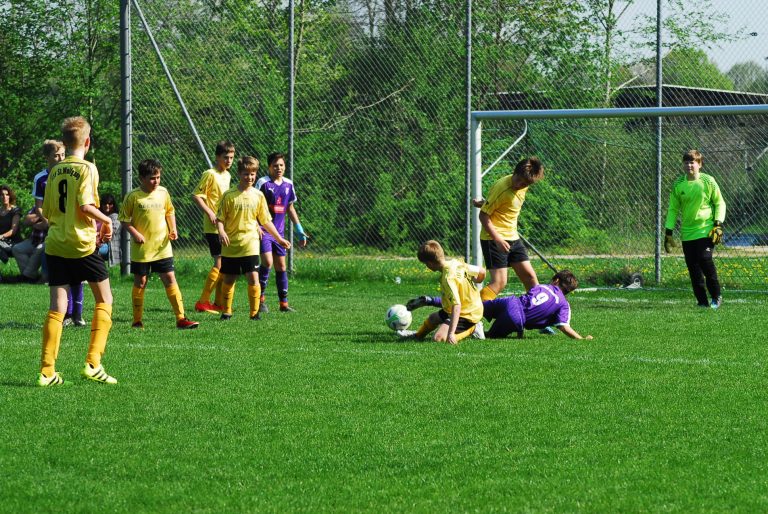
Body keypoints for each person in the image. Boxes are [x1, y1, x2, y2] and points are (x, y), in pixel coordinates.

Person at [38, 116, 117, 386]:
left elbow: (47, 212)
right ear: (87, 141)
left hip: (55, 243)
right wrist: (106, 220)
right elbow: (85, 206)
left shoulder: (55, 171)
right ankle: (93, 363)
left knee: (57, 308)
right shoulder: (87, 168)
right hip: (82, 245)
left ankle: (47, 372)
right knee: (105, 299)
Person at [119, 159, 199, 329]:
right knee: (141, 281)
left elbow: (170, 211)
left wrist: (174, 229)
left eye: (158, 177)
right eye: (152, 178)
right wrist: (135, 233)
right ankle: (137, 320)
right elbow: (124, 220)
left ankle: (181, 318)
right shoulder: (133, 196)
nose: (156, 181)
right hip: (142, 249)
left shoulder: (163, 192)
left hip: (162, 247)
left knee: (170, 278)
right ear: (141, 178)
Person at [407, 270, 593, 340]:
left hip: (510, 302)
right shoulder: (564, 305)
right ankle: (472, 330)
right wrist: (581, 338)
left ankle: (432, 301)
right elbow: (563, 326)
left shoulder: (543, 287)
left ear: (555, 280)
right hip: (515, 318)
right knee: (488, 336)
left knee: (473, 304)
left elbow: (528, 303)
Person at [216, 156, 291, 321]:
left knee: (253, 277)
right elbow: (219, 219)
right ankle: (226, 311)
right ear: (239, 174)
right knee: (229, 279)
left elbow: (265, 221)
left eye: (252, 174)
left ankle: (254, 313)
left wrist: (279, 239)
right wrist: (221, 232)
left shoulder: (258, 196)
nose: (249, 177)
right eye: (245, 174)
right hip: (231, 245)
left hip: (250, 242)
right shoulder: (229, 195)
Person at [473, 157, 545, 300]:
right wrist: (498, 239)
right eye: (518, 180)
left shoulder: (524, 183)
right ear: (515, 171)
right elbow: (483, 217)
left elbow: (501, 206)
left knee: (530, 278)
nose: (519, 185)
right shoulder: (502, 187)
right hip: (493, 238)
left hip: (513, 237)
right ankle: (467, 317)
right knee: (499, 282)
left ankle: (537, 318)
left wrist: (486, 203)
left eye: (524, 184)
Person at [31, 139, 85, 325]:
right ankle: (67, 314)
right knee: (62, 274)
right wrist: (49, 222)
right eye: (56, 155)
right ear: (47, 157)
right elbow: (39, 207)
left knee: (77, 273)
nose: (61, 158)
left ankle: (78, 314)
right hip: (55, 230)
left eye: (63, 154)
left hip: (74, 230)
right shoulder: (41, 179)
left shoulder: (72, 172)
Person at [664, 149, 726, 309]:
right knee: (693, 268)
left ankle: (716, 296)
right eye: (686, 162)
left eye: (692, 162)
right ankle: (702, 302)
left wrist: (718, 224)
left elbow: (720, 203)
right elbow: (673, 209)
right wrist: (668, 232)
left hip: (706, 229)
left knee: (705, 260)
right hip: (688, 233)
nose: (689, 165)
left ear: (700, 164)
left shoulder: (708, 181)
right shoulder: (678, 184)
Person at [397, 240, 485, 344]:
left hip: (468, 313)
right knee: (433, 318)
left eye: (425, 264)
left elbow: (456, 305)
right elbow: (482, 271)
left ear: (429, 263)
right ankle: (417, 336)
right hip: (468, 306)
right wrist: (476, 280)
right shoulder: (456, 263)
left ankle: (473, 328)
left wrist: (451, 333)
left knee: (438, 338)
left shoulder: (448, 278)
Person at [256, 152, 308, 313]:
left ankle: (283, 304)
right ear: (269, 167)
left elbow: (290, 208)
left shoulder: (288, 184)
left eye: (281, 165)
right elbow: (254, 204)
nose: (279, 168)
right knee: (268, 262)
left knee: (281, 266)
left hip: (279, 233)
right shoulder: (263, 183)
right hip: (264, 231)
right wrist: (256, 225)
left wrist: (299, 230)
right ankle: (260, 300)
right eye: (275, 165)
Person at [192, 141, 235, 313]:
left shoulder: (228, 175)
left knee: (224, 265)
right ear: (217, 157)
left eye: (231, 157)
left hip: (224, 225)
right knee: (219, 263)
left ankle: (217, 303)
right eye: (226, 157)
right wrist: (210, 212)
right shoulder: (210, 174)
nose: (229, 160)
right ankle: (203, 301)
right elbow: (196, 195)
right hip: (213, 227)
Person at [12, 207, 47, 282]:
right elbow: (26, 221)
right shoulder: (36, 207)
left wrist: (36, 222)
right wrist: (41, 214)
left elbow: (47, 225)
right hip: (33, 240)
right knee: (17, 249)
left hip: (46, 241)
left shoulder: (53, 205)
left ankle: (27, 276)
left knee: (39, 249)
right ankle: (31, 276)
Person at [0, 185, 22, 275]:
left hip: (13, 242)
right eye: (2, 195)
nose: (4, 197)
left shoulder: (15, 210)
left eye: (7, 194)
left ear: (10, 196)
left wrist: (1, 236)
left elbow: (13, 230)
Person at [97, 193, 121, 267]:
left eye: (110, 203)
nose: (107, 205)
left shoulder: (115, 216)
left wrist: (97, 234)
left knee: (91, 252)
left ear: (113, 205)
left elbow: (110, 233)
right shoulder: (98, 215)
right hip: (96, 241)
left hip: (108, 245)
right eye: (104, 203)